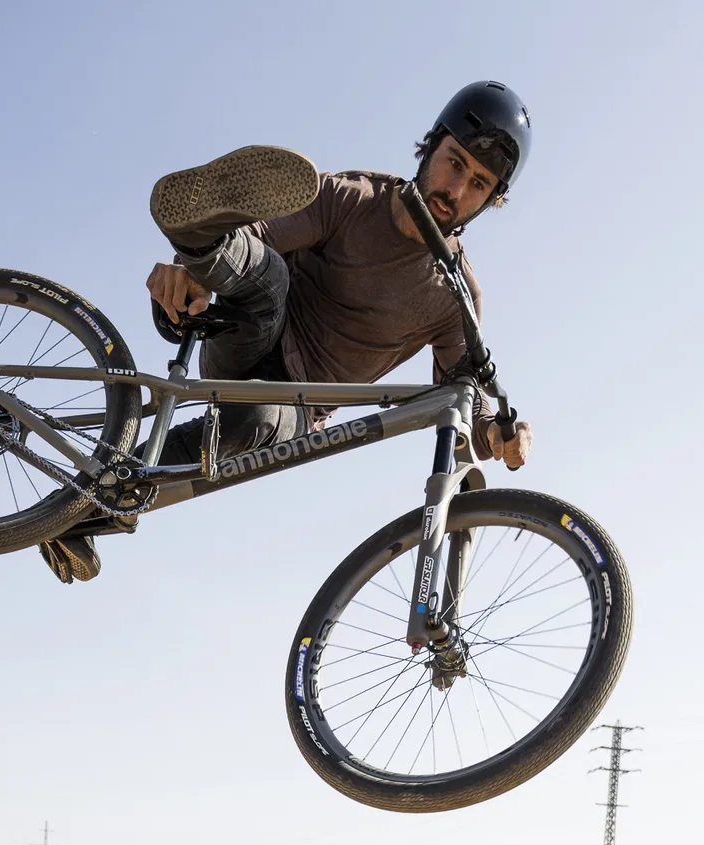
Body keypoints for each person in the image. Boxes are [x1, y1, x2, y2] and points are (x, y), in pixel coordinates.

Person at [41, 82, 533, 586]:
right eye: (454, 163)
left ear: (490, 201)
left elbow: (464, 395)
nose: (456, 191)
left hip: (298, 409)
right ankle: (199, 242)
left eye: (478, 184)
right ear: (431, 146)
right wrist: (195, 270)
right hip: (253, 331)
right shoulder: (355, 198)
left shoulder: (454, 296)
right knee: (271, 276)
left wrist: (498, 432)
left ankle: (73, 513)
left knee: (252, 420)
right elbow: (261, 235)